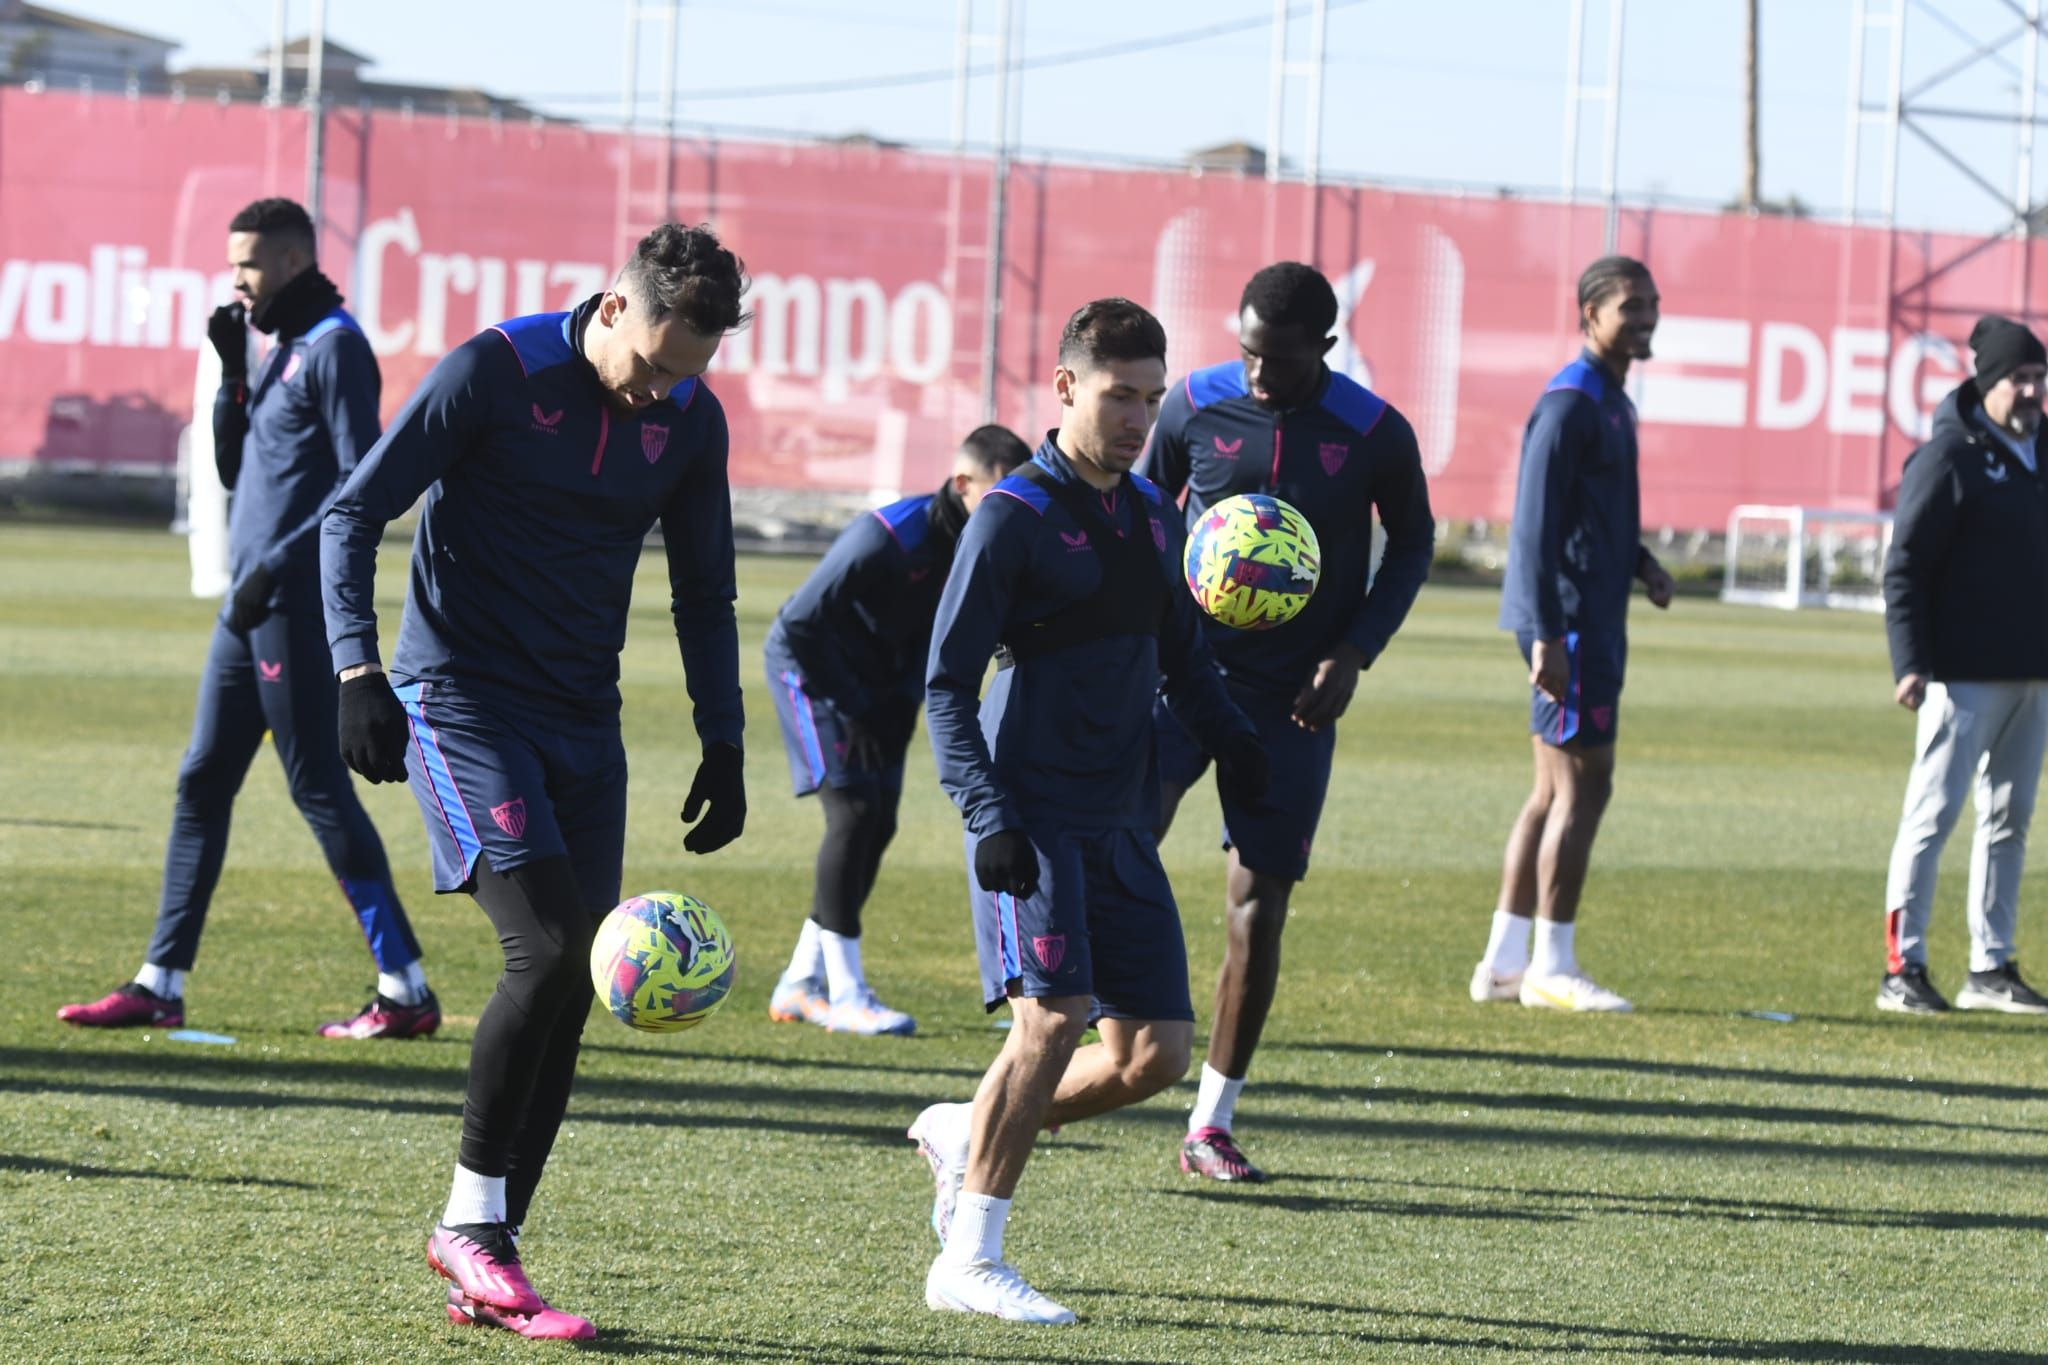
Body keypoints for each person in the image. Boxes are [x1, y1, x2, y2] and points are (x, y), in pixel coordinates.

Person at [320, 223, 751, 1340]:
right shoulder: (496, 371)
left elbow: (703, 591)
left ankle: (492, 1251)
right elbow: (353, 511)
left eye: (684, 375)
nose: (658, 393)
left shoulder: (691, 419)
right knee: (551, 946)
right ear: (612, 307)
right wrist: (357, 671)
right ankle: (467, 1226)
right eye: (650, 364)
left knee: (577, 980)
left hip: (584, 725)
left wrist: (724, 739)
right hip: (460, 700)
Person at [910, 299, 1266, 1325]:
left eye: (1152, 399)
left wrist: (1238, 740)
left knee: (1154, 1056)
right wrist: (987, 815)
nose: (1139, 420)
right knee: (1053, 1019)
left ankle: (964, 1127)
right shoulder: (1012, 515)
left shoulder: (1153, 513)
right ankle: (968, 1259)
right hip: (1031, 817)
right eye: (1119, 397)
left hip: (1120, 820)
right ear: (1065, 387)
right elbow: (946, 685)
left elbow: (1183, 658)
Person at [58, 197, 437, 1040]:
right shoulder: (282, 344)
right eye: (233, 263)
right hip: (250, 607)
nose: (237, 279)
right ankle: (160, 981)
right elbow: (235, 468)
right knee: (202, 778)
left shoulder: (335, 348)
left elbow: (362, 487)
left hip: (290, 606)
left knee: (318, 788)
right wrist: (234, 371)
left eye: (250, 264)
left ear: (294, 261)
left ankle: (405, 987)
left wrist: (277, 564)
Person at [1140, 261, 1434, 1183]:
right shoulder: (1193, 404)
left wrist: (1355, 651)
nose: (1259, 374)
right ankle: (1080, 1049)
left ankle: (1210, 1123)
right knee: (1114, 846)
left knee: (1257, 904)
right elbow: (1142, 513)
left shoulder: (1374, 431)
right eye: (1248, 353)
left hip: (1294, 700)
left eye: (1279, 358)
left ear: (1326, 347)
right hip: (1183, 678)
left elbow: (1414, 542)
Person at [765, 425, 1032, 1037]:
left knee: (878, 823)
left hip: (879, 688)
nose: (1011, 505)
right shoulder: (887, 536)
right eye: (999, 491)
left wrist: (898, 703)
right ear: (962, 484)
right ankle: (847, 995)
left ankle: (800, 983)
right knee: (854, 815)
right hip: (813, 674)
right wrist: (856, 707)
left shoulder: (985, 541)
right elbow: (800, 624)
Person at [1472, 255, 1674, 1014]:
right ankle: (1553, 966)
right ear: (1590, 314)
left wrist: (1643, 564)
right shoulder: (1571, 403)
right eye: (1631, 306)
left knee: (1551, 791)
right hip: (1571, 628)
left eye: (1652, 304)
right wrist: (1548, 636)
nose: (1647, 318)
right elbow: (1533, 527)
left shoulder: (1611, 399)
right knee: (1586, 788)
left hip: (1586, 619)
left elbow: (1594, 516)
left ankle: (1503, 961)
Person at [1876, 315, 2048, 1015]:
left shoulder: (2043, 450)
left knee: (2010, 821)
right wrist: (1910, 660)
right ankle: (1902, 969)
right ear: (1988, 383)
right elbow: (1905, 566)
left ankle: (1990, 966)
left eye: (2039, 376)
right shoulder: (1948, 457)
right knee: (1932, 818)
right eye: (2019, 378)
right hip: (1962, 674)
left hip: (2033, 672)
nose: (2032, 390)